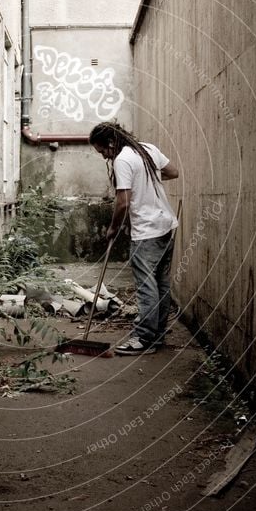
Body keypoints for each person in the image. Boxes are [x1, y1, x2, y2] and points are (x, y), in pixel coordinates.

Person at [89, 121, 179, 355]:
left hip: (147, 230)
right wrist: (149, 182)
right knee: (161, 283)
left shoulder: (122, 160)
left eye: (103, 151)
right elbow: (173, 172)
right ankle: (156, 336)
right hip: (166, 226)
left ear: (111, 143)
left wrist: (113, 228)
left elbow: (123, 201)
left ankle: (144, 339)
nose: (104, 157)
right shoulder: (147, 149)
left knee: (146, 286)